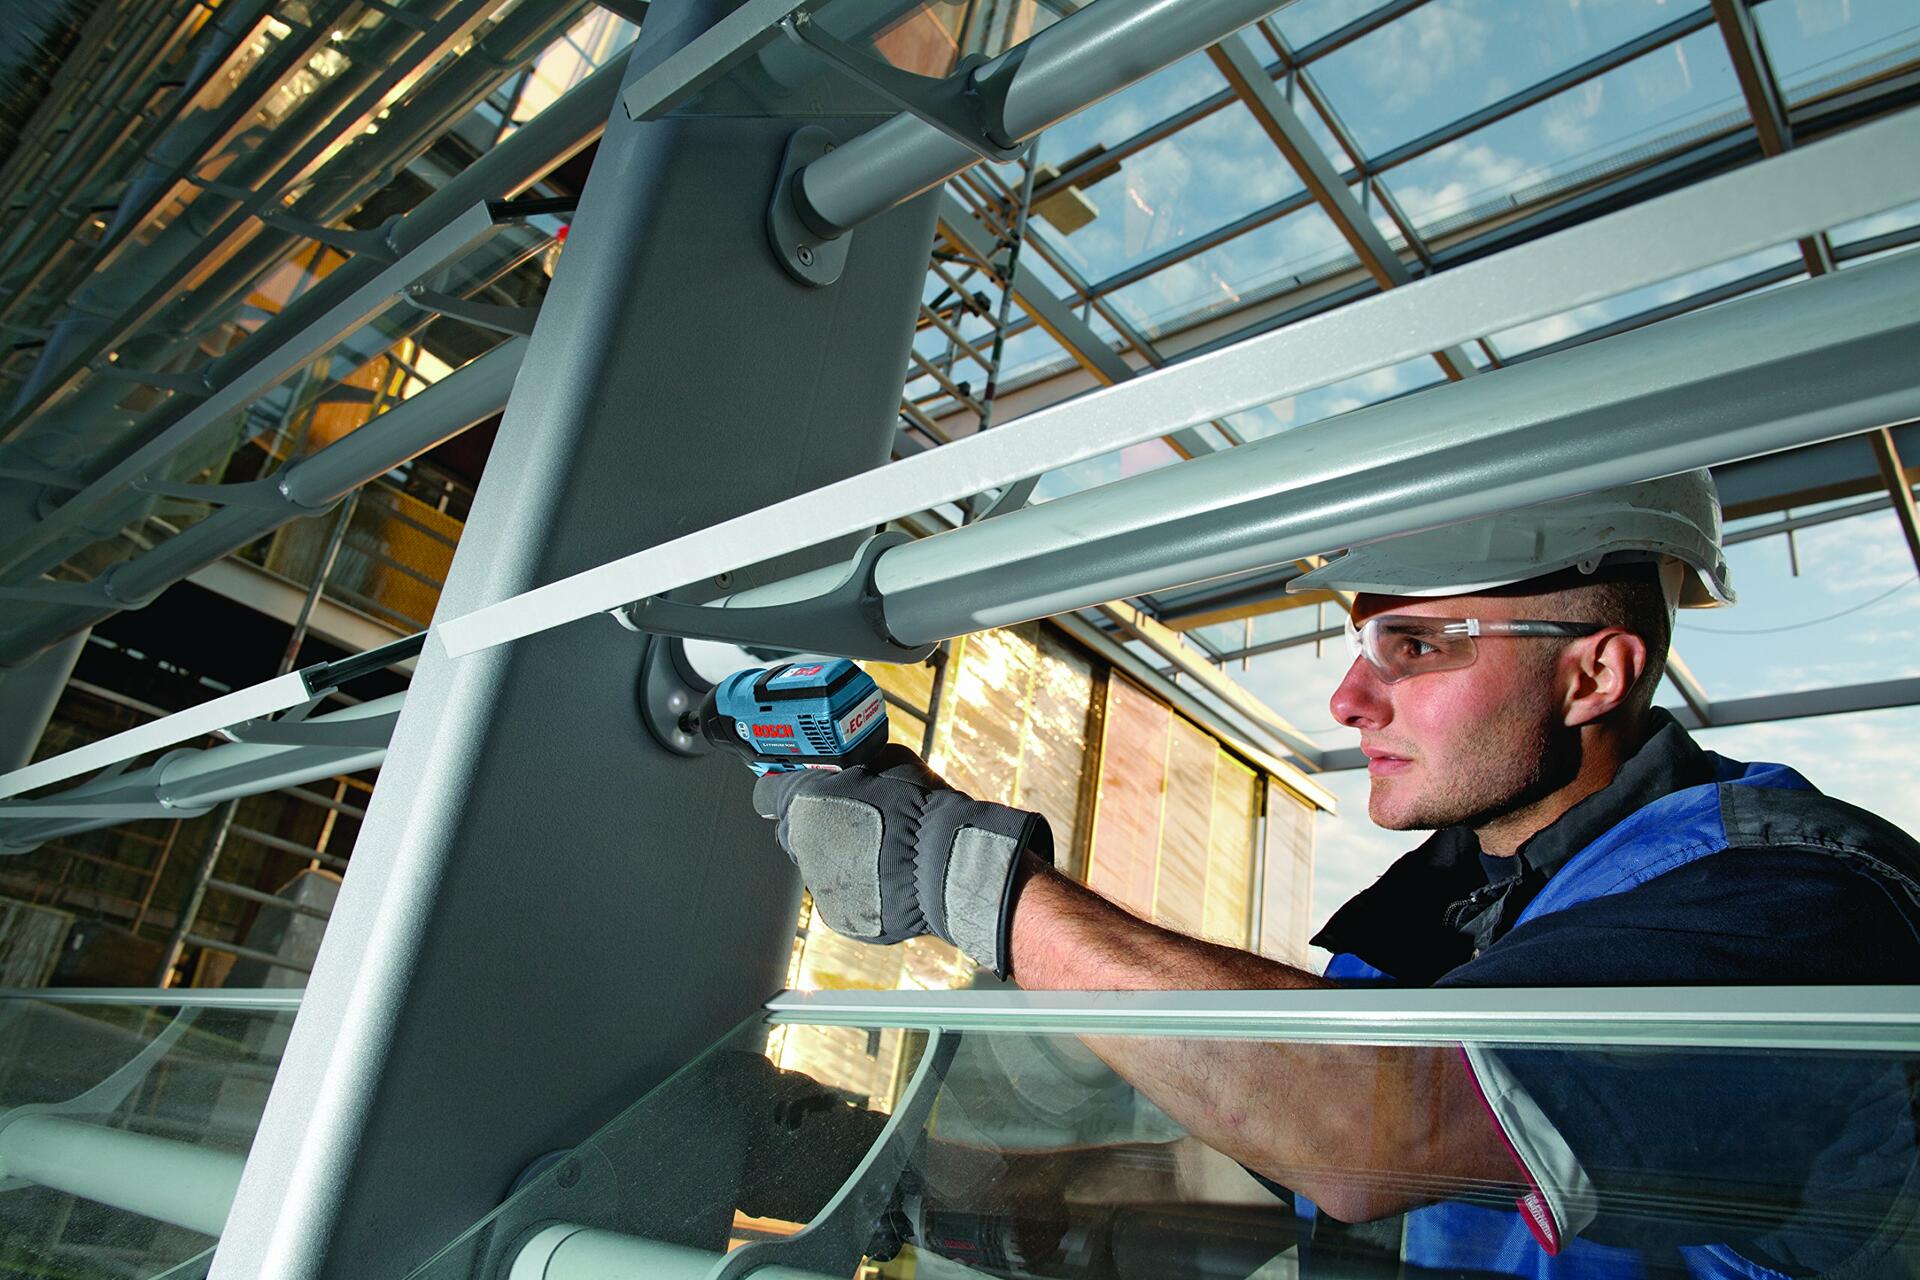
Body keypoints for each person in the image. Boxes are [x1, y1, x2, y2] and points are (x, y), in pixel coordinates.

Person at [752, 471, 1920, 1278]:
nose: (1350, 702)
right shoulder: (1453, 914)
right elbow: (1288, 1168)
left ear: (1593, 674)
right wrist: (916, 1178)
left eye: (1411, 646)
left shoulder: (1792, 904)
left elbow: (1385, 1126)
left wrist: (967, 878)